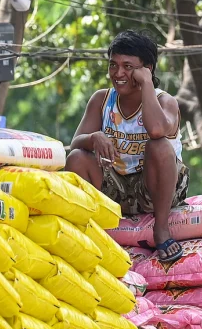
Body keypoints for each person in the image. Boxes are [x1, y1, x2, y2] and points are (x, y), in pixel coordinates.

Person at [65, 30, 189, 262]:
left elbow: (157, 130)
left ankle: (161, 230)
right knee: (77, 158)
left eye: (128, 67)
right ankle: (88, 228)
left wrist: (147, 85)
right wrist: (94, 137)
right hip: (117, 188)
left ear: (147, 69)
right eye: (113, 65)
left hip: (156, 189)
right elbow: (75, 144)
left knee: (159, 146)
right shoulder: (101, 100)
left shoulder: (165, 101)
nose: (118, 73)